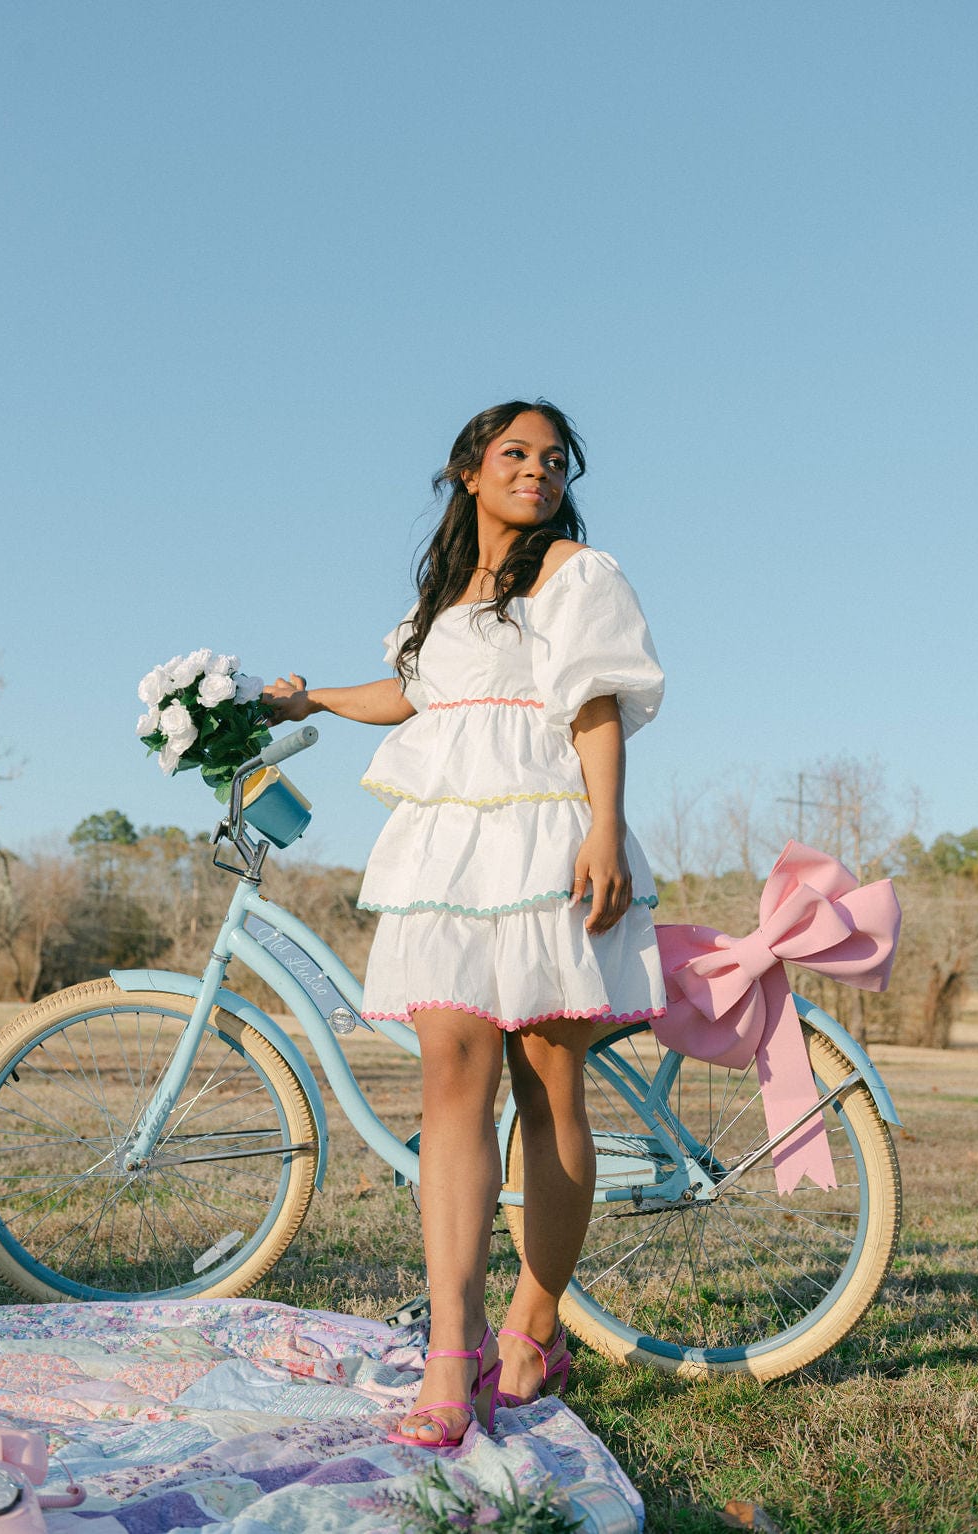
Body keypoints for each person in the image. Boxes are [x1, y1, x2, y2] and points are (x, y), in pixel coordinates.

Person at [264, 400, 665, 1448]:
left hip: (547, 836)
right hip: (447, 853)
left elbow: (596, 707)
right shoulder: (443, 595)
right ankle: (453, 1348)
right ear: (468, 472)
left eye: (554, 459)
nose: (538, 470)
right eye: (515, 453)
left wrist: (605, 828)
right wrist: (312, 703)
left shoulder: (576, 573)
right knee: (450, 1076)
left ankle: (533, 1325)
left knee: (547, 1083)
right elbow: (414, 697)